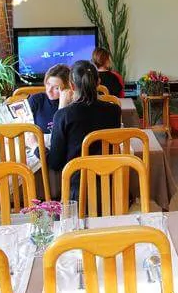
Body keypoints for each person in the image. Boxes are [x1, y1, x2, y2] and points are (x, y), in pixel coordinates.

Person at [47, 60, 122, 200]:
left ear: (71, 85)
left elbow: (55, 163)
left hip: (77, 194)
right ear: (98, 82)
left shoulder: (63, 115)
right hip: (111, 190)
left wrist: (36, 147)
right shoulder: (114, 110)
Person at [27, 63, 70, 134]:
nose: (49, 90)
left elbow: (62, 133)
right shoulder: (36, 99)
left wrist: (62, 105)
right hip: (39, 140)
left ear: (67, 88)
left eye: (56, 88)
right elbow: (22, 125)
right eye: (48, 84)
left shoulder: (73, 105)